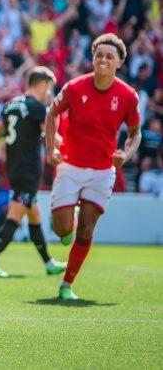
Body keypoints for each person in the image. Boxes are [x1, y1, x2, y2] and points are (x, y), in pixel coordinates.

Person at [45, 34, 141, 301]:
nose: (103, 60)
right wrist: (51, 149)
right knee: (63, 229)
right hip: (70, 165)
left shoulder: (128, 96)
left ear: (119, 62)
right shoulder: (75, 87)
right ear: (93, 57)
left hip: (101, 171)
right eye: (99, 54)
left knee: (87, 230)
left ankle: (67, 285)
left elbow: (135, 133)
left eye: (109, 56)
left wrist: (127, 153)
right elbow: (51, 113)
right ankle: (69, 221)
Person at [0, 66, 66, 277]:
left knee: (34, 215)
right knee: (15, 217)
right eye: (49, 89)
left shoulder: (10, 105)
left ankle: (48, 263)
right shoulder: (38, 108)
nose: (50, 94)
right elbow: (51, 137)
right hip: (28, 171)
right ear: (43, 85)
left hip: (14, 169)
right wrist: (65, 145)